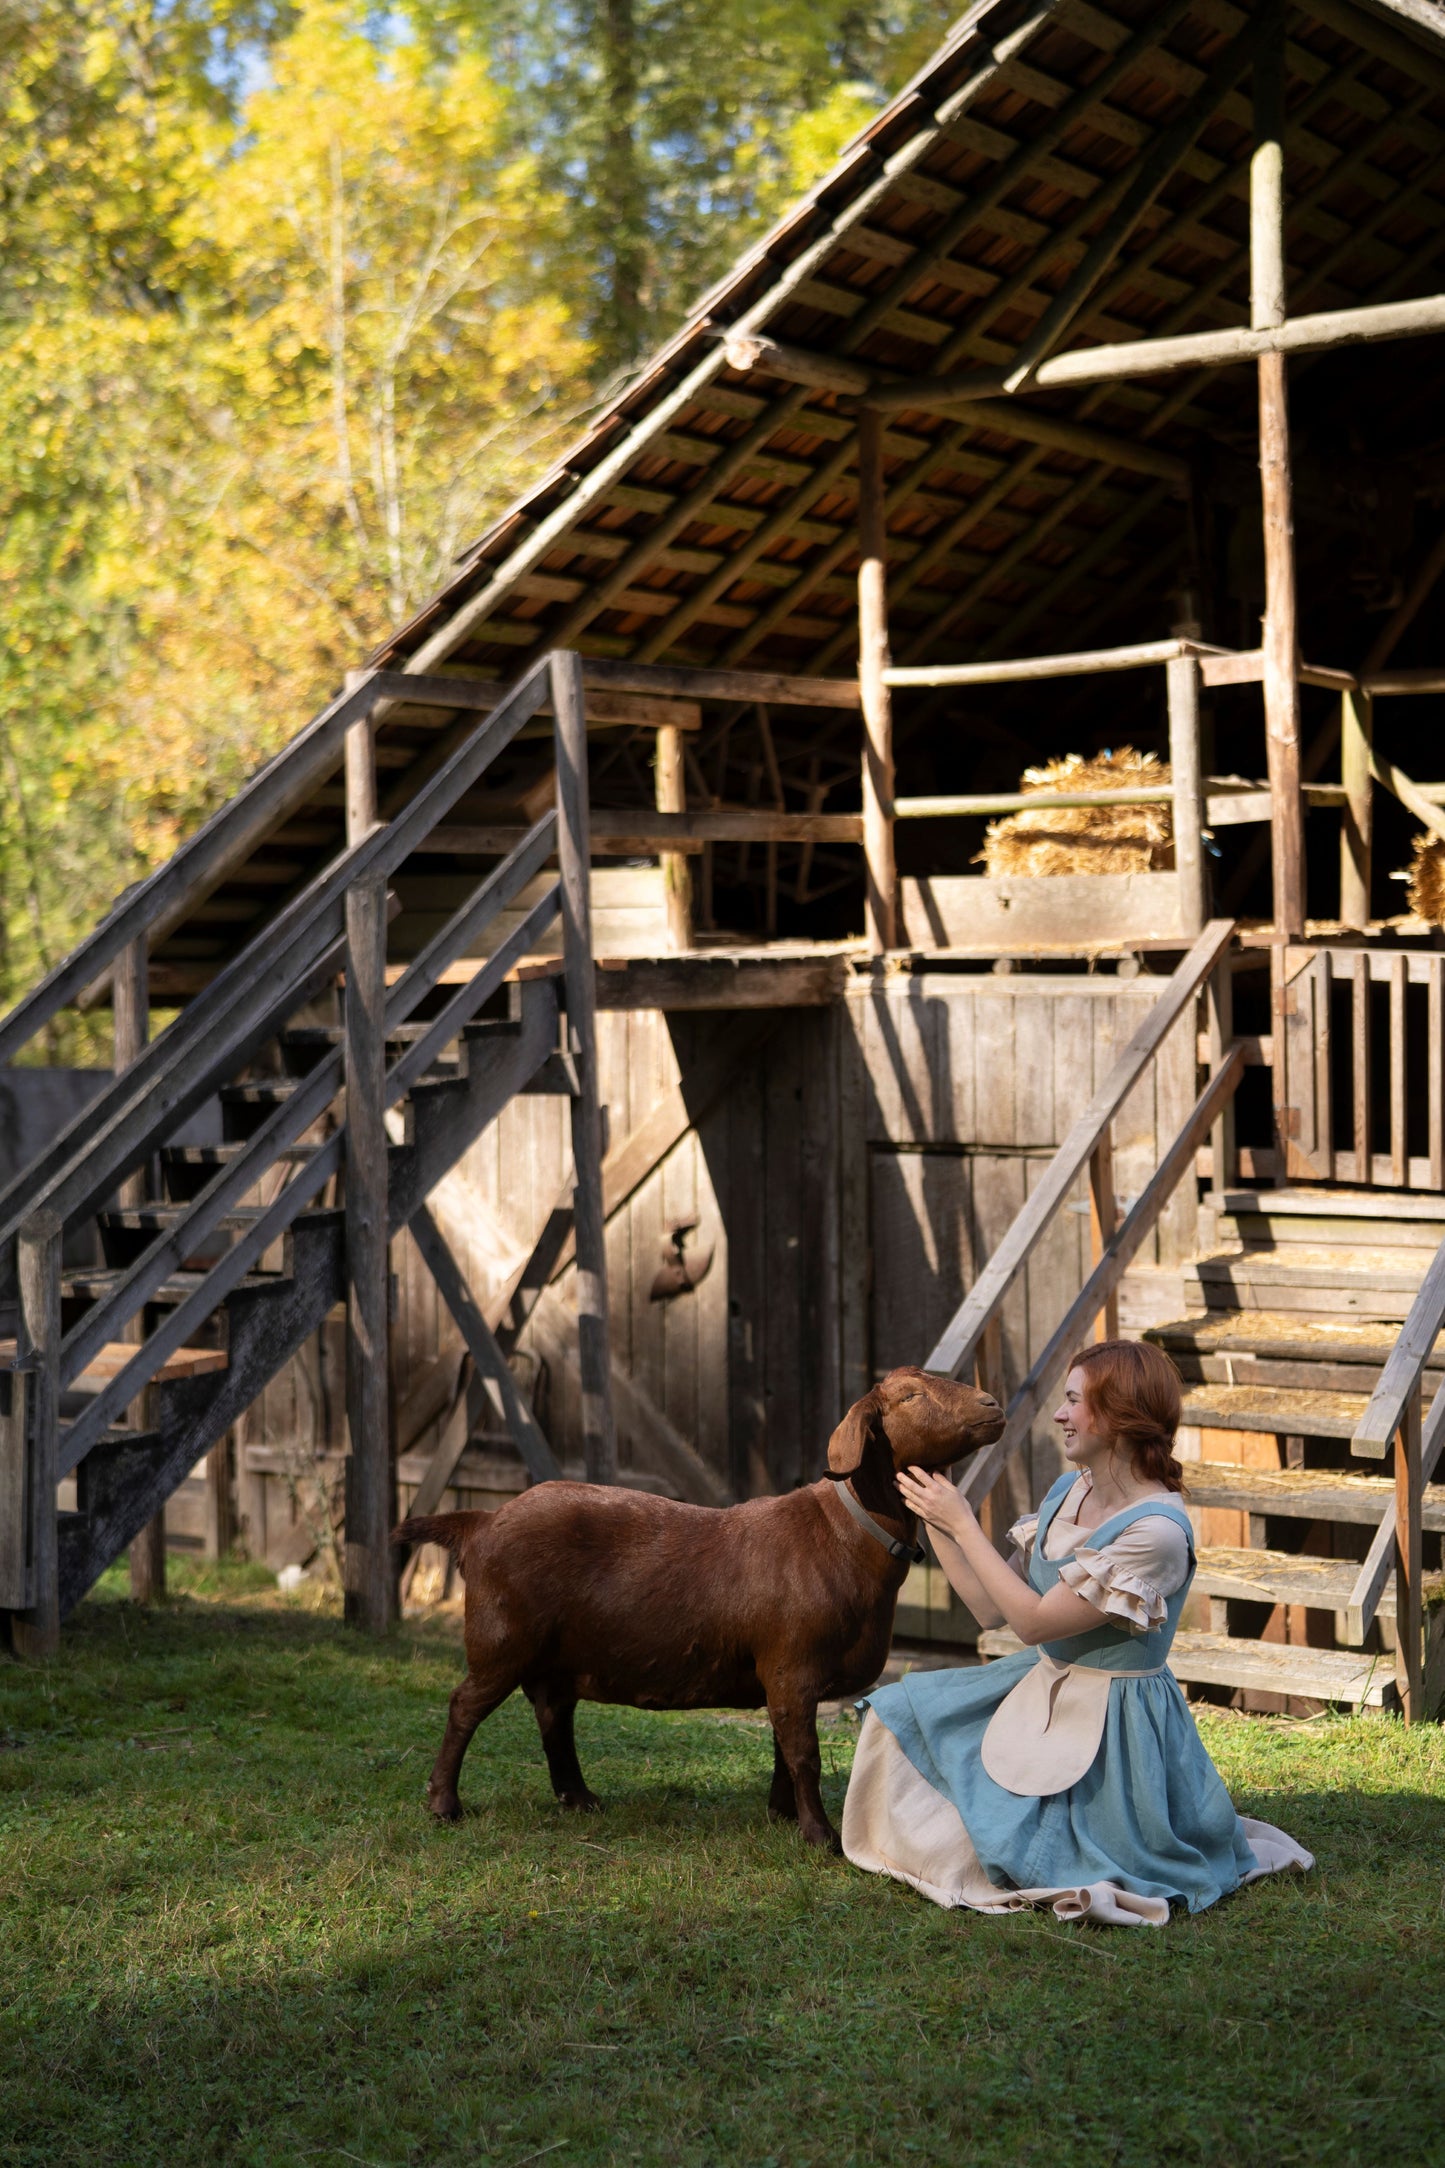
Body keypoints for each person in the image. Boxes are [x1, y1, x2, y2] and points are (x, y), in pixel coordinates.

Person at [842, 1338, 1313, 1926]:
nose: (1059, 1415)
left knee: (1042, 1850)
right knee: (902, 1713)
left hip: (1118, 1719)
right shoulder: (1070, 1490)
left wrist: (963, 1523)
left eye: (1073, 1401)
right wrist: (934, 1515)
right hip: (1043, 1684)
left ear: (1118, 1417)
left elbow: (1033, 1622)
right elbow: (992, 1610)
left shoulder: (1156, 1532)